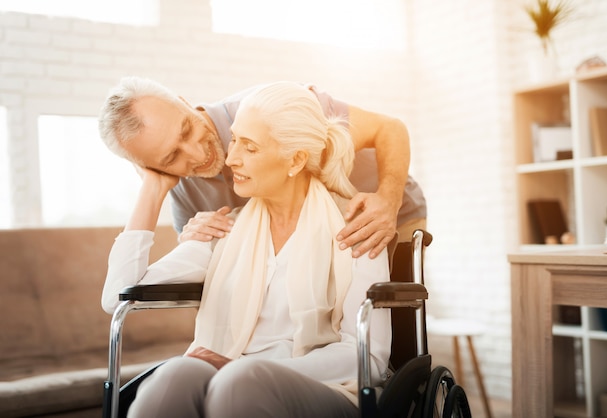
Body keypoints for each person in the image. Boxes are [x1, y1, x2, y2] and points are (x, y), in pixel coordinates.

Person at [101, 81, 391, 417]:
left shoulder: (358, 228)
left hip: (328, 388)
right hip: (231, 371)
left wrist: (247, 368)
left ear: (295, 159)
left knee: (239, 381)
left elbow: (368, 358)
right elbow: (118, 296)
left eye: (249, 147)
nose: (231, 158)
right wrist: (152, 188)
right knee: (175, 375)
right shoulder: (223, 229)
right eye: (234, 139)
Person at [98, 77, 426, 260]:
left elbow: (389, 129)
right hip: (323, 243)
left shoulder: (268, 109)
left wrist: (389, 199)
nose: (197, 154)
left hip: (390, 209)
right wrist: (192, 238)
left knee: (395, 334)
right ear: (151, 168)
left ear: (185, 102)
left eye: (187, 129)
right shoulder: (182, 190)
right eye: (171, 158)